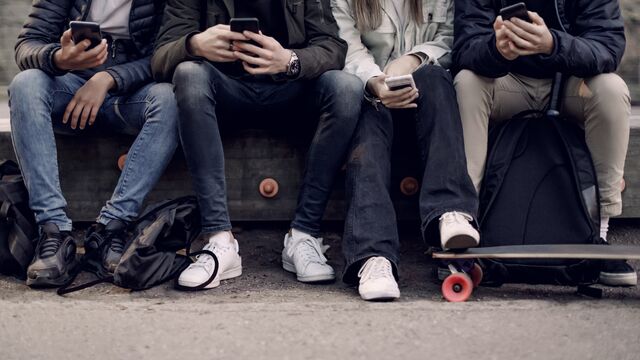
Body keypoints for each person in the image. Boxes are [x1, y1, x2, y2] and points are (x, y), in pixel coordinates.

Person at [151, 0, 362, 289]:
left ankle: (303, 235)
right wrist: (195, 44)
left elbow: (332, 48)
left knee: (347, 88)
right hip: (224, 93)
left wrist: (289, 60)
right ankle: (220, 240)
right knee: (189, 74)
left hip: (292, 91)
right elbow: (160, 58)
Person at [452, 0, 635, 286]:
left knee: (612, 89)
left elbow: (608, 48)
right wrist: (496, 49)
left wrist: (553, 44)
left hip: (571, 84)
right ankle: (465, 229)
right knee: (467, 82)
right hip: (505, 81)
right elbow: (464, 48)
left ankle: (598, 232)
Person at [9, 0, 179, 287]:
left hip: (132, 95)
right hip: (70, 88)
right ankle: (54, 232)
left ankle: (111, 229)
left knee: (172, 98)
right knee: (25, 84)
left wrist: (108, 78)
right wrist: (59, 59)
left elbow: (167, 54)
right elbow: (26, 45)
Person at [331, 0, 480, 301]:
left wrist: (414, 59)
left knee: (436, 79)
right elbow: (346, 44)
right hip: (373, 94)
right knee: (365, 113)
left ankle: (450, 213)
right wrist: (376, 82)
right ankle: (374, 256)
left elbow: (454, 38)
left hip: (427, 94)